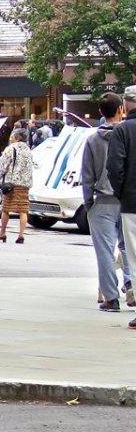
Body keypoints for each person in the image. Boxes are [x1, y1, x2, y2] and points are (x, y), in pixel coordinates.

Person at [82, 92, 129, 311]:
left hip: (102, 199)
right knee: (129, 248)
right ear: (121, 109)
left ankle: (111, 298)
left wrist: (88, 203)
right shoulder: (128, 134)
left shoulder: (92, 139)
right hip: (127, 198)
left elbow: (87, 175)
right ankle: (131, 286)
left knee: (105, 251)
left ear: (100, 112)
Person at [105, 85, 136, 329]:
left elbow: (114, 168)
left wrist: (121, 191)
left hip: (132, 202)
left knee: (133, 256)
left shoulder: (123, 131)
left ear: (124, 105)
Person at [0, 126, 34, 244]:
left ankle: (2, 232)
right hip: (25, 184)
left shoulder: (10, 149)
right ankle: (21, 235)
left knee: (6, 209)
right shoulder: (28, 150)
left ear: (16, 138)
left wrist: (0, 177)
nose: (10, 138)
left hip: (11, 184)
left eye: (12, 136)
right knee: (23, 210)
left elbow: (2, 165)